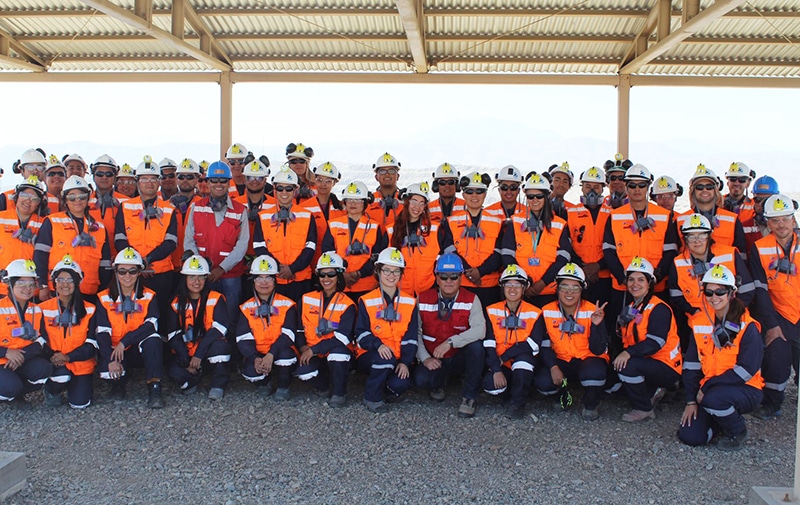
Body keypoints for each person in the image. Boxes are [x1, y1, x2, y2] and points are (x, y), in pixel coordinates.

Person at [679, 265, 764, 450]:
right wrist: (691, 401)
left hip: (745, 388)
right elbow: (691, 366)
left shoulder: (746, 326)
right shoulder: (700, 322)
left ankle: (737, 431)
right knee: (689, 435)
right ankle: (718, 421)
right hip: (711, 390)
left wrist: (708, 387)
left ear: (731, 293)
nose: (714, 297)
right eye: (709, 292)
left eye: (720, 291)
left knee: (715, 400)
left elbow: (747, 371)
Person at [603, 163, 679, 346]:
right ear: (626, 186)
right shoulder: (615, 215)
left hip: (656, 287)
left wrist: (657, 277)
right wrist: (623, 278)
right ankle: (618, 367)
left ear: (648, 187)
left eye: (642, 185)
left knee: (652, 329)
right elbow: (608, 250)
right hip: (622, 287)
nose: (637, 189)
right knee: (621, 330)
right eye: (632, 185)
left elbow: (670, 250)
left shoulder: (663, 216)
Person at [184, 160, 248, 344]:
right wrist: (202, 269)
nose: (218, 184)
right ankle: (205, 351)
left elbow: (242, 245)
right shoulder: (196, 208)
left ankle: (230, 354)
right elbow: (189, 241)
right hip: (202, 277)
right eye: (214, 180)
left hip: (231, 277)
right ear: (207, 182)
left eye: (222, 181)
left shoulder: (240, 210)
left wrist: (221, 269)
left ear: (229, 183)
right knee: (203, 313)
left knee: (231, 315)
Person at [534, 263, 609, 421]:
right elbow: (544, 345)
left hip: (587, 360)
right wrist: (553, 367)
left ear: (582, 289)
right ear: (557, 289)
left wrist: (596, 325)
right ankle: (563, 397)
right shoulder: (546, 311)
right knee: (542, 381)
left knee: (594, 374)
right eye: (564, 287)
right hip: (560, 361)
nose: (569, 292)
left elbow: (598, 349)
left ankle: (590, 404)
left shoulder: (592, 311)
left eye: (575, 287)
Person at [668, 213, 754, 350]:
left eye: (702, 235)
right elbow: (675, 294)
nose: (697, 240)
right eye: (691, 236)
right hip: (699, 325)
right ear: (685, 238)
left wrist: (733, 313)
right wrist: (693, 311)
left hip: (734, 322)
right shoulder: (678, 263)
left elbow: (748, 289)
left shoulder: (729, 254)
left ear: (709, 235)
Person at [414, 253, 485, 418]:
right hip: (435, 358)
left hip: (458, 356)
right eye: (443, 276)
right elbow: (415, 333)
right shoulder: (423, 298)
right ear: (437, 278)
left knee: (477, 347)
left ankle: (469, 397)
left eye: (454, 276)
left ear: (461, 277)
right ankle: (439, 384)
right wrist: (425, 358)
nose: (449, 281)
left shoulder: (472, 299)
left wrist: (451, 342)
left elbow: (480, 330)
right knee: (420, 380)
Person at [749, 194, 800, 420]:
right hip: (779, 316)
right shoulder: (759, 248)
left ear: (793, 219)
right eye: (775, 220)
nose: (781, 225)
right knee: (776, 358)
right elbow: (760, 291)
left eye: (785, 219)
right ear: (768, 222)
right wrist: (771, 325)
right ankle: (772, 403)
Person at [613, 257, 682, 422]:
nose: (634, 284)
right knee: (612, 380)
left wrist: (628, 353)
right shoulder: (632, 307)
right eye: (631, 279)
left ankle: (644, 408)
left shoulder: (659, 308)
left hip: (666, 365)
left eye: (640, 280)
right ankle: (654, 391)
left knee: (626, 366)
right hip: (646, 362)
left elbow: (656, 342)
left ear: (650, 283)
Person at [95, 247, 165, 408]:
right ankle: (118, 384)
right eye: (122, 271)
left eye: (132, 271)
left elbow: (151, 325)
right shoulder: (104, 297)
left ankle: (154, 387)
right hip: (115, 350)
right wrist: (110, 359)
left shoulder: (149, 295)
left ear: (139, 272)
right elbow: (102, 332)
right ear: (116, 272)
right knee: (109, 372)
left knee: (154, 340)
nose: (127, 276)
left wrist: (125, 342)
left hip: (136, 347)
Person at [355, 247, 419, 413]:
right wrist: (378, 345)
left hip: (397, 356)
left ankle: (383, 387)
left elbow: (411, 337)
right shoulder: (366, 300)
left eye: (396, 271)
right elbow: (361, 333)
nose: (391, 275)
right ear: (378, 271)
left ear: (401, 273)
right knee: (384, 360)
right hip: (370, 354)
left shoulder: (410, 302)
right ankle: (371, 397)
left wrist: (405, 362)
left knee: (402, 383)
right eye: (387, 270)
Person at [115, 155, 178, 321]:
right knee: (135, 315)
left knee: (162, 316)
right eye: (144, 179)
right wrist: (137, 263)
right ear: (138, 182)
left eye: (153, 179)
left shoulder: (169, 209)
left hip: (161, 274)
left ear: (159, 182)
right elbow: (119, 239)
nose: (149, 182)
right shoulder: (125, 207)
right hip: (132, 274)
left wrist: (148, 259)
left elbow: (171, 242)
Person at [34, 175, 112, 301]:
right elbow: (40, 256)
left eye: (82, 196)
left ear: (88, 198)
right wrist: (42, 285)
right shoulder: (52, 221)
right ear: (65, 200)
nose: (77, 200)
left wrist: (102, 291)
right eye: (72, 197)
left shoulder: (99, 228)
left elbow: (105, 263)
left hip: (89, 290)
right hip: (58, 289)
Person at [482, 265, 545, 419]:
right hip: (499, 362)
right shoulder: (491, 310)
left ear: (524, 288)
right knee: (491, 386)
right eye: (508, 284)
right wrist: (496, 369)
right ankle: (507, 396)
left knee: (523, 363)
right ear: (502, 287)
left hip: (521, 359)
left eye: (517, 285)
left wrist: (505, 356)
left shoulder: (535, 312)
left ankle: (518, 404)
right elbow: (488, 342)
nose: (512, 289)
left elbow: (533, 344)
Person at [165, 255, 231, 400]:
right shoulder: (176, 302)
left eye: (201, 277)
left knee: (220, 347)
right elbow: (173, 335)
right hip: (187, 352)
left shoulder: (216, 298)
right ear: (185, 279)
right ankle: (192, 379)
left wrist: (199, 355)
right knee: (173, 372)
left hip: (207, 351)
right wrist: (186, 359)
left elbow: (218, 329)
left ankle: (218, 384)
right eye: (192, 277)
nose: (197, 282)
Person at [504, 171, 572, 307]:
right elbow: (507, 255)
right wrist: (524, 281)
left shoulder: (559, 224)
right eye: (530, 196)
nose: (535, 200)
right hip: (521, 290)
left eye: (539, 196)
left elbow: (563, 258)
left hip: (550, 291)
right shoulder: (515, 222)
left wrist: (543, 282)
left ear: (547, 196)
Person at [236, 255, 299, 401]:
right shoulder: (246, 307)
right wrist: (255, 357)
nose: (264, 282)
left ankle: (284, 386)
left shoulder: (287, 304)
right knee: (251, 372)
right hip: (257, 351)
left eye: (269, 278)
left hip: (281, 350)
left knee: (286, 357)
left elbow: (288, 335)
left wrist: (271, 354)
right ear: (253, 281)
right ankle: (265, 383)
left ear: (275, 280)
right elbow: (242, 338)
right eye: (259, 278)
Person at [297, 252, 356, 407]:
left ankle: (339, 393)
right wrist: (304, 348)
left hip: (336, 352)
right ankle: (323, 387)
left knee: (338, 356)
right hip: (312, 351)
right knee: (304, 372)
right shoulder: (306, 298)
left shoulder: (348, 305)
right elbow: (298, 329)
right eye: (322, 275)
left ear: (339, 276)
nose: (326, 279)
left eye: (331, 274)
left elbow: (342, 338)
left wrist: (314, 350)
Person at [39, 256, 97, 409]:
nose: (65, 284)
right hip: (54, 361)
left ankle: (78, 386)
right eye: (60, 280)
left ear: (78, 282)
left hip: (80, 363)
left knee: (80, 404)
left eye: (70, 280)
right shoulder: (42, 309)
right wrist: (54, 356)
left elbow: (92, 344)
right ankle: (52, 390)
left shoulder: (90, 309)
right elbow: (40, 340)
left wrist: (68, 357)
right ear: (54, 283)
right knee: (61, 376)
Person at [253, 166, 317, 303]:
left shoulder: (307, 216)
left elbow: (310, 247)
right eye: (280, 188)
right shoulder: (263, 216)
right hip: (273, 280)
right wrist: (278, 268)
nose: (284, 192)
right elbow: (259, 246)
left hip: (300, 279)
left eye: (289, 189)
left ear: (295, 190)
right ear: (274, 190)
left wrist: (292, 269)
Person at [441, 172, 504, 306]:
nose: (474, 196)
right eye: (469, 191)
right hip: (461, 285)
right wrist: (470, 273)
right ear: (463, 195)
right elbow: (449, 250)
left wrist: (480, 272)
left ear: (485, 194)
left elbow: (499, 253)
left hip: (489, 286)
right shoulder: (450, 221)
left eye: (479, 191)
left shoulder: (498, 222)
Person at [0, 259, 51, 408]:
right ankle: (10, 392)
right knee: (10, 387)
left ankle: (16, 393)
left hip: (22, 358)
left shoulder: (36, 310)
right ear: (10, 284)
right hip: (2, 359)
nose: (27, 288)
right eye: (21, 283)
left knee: (44, 369)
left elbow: (42, 339)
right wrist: (6, 352)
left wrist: (21, 355)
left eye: (31, 284)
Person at [326, 181, 385, 302]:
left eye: (358, 200)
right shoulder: (333, 225)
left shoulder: (374, 226)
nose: (353, 203)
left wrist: (359, 273)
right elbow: (328, 253)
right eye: (349, 199)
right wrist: (341, 275)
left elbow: (377, 256)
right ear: (345, 202)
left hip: (367, 285)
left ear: (365, 203)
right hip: (340, 284)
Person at [387, 182, 445, 296]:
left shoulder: (435, 229)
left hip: (429, 289)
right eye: (414, 201)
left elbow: (442, 257)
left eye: (421, 203)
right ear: (407, 202)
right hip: (399, 290)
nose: (417, 207)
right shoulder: (391, 230)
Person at [676, 164, 746, 256]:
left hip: (725, 269)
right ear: (693, 190)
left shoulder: (732, 220)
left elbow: (742, 256)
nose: (705, 190)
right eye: (699, 187)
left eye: (709, 187)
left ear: (716, 190)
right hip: (689, 269)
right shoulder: (679, 221)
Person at [567, 166, 612, 306]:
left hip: (605, 277)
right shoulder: (570, 213)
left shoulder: (612, 214)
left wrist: (598, 266)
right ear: (582, 188)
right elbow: (566, 245)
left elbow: (616, 246)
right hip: (578, 275)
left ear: (603, 188)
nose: (592, 191)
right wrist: (584, 269)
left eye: (596, 187)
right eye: (588, 186)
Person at [0, 176, 48, 298]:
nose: (28, 201)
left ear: (40, 203)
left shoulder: (45, 224)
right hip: (2, 288)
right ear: (16, 197)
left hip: (30, 290)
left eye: (34, 198)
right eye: (24, 195)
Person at [302, 161, 344, 266]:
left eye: (328, 181)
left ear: (334, 183)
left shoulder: (342, 208)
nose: (323, 184)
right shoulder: (304, 208)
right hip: (309, 261)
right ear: (315, 181)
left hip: (334, 262)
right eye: (319, 180)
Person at [87, 154, 128, 257]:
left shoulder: (127, 203)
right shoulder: (83, 202)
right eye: (100, 174)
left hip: (121, 259)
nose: (104, 177)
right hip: (92, 258)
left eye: (109, 174)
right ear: (93, 176)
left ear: (115, 177)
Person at [234, 158, 272, 260]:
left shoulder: (275, 204)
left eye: (259, 178)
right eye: (250, 177)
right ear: (245, 179)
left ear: (265, 181)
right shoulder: (235, 204)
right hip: (239, 259)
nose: (254, 181)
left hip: (267, 258)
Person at [170, 158, 202, 270]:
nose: (185, 180)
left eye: (189, 177)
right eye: (181, 177)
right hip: (170, 264)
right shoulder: (167, 205)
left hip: (194, 264)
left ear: (197, 179)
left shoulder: (203, 206)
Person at [366, 152, 404, 229]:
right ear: (376, 177)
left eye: (391, 171)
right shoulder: (368, 202)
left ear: (398, 176)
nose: (387, 174)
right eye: (382, 171)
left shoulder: (406, 201)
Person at [747, 175, 780, 252]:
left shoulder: (786, 224)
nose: (761, 204)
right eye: (757, 199)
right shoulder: (746, 226)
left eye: (766, 200)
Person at [723, 162, 756, 234]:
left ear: (748, 183)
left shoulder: (755, 206)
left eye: (742, 180)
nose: (736, 183)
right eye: (733, 179)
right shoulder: (717, 203)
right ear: (728, 182)